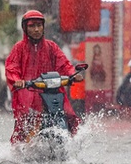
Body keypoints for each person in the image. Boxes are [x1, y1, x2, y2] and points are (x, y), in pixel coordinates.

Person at [5, 10, 83, 144]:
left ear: (43, 27)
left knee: (70, 115)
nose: (36, 29)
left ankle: (73, 143)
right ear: (25, 28)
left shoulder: (51, 46)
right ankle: (19, 148)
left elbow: (63, 63)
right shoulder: (19, 48)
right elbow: (12, 67)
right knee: (25, 119)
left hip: (52, 90)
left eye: (39, 25)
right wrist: (17, 80)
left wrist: (72, 74)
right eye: (32, 26)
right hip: (28, 91)